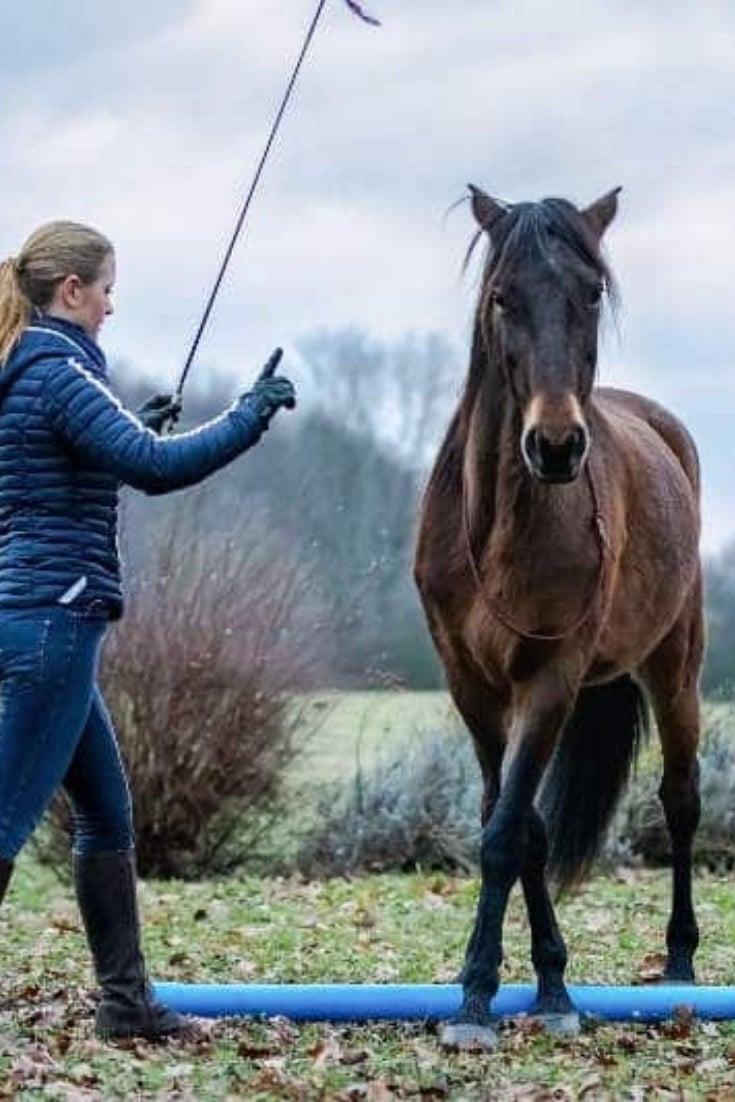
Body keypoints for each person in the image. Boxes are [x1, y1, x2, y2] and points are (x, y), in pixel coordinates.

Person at [0, 220, 296, 1042]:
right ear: (71, 293)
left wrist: (131, 423)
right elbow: (158, 468)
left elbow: (83, 460)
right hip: (56, 623)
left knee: (106, 817)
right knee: (4, 824)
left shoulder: (27, 371)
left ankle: (125, 1006)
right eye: (105, 291)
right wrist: (250, 413)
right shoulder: (60, 371)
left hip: (39, 620)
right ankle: (126, 1004)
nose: (110, 307)